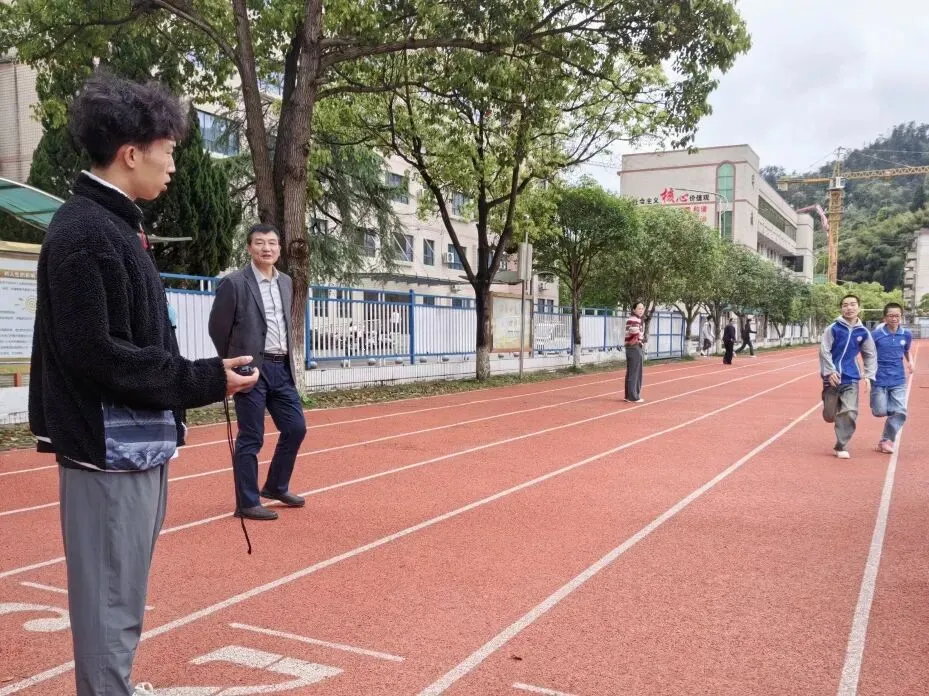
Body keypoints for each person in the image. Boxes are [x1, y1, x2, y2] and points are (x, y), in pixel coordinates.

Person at [28, 73, 258, 696]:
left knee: (121, 592)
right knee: (109, 597)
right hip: (107, 452)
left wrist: (202, 380)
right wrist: (203, 379)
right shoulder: (85, 233)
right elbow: (97, 355)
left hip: (130, 446)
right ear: (132, 152)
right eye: (170, 149)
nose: (175, 164)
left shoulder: (112, 227)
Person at [208, 224, 308, 520]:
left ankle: (276, 486)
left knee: (295, 428)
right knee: (251, 436)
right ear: (250, 248)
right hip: (252, 368)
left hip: (281, 367)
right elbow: (218, 328)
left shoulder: (287, 282)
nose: (267, 248)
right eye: (260, 243)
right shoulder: (235, 283)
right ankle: (247, 502)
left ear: (279, 248)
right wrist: (232, 363)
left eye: (273, 243)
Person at [820, 294, 876, 459]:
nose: (849, 308)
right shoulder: (833, 328)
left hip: (851, 377)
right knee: (829, 416)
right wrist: (830, 371)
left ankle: (841, 445)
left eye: (852, 304)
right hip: (832, 377)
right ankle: (832, 408)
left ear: (859, 307)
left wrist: (868, 376)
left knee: (850, 411)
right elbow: (824, 350)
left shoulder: (863, 332)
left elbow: (870, 354)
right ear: (841, 308)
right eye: (845, 305)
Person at [869, 302, 913, 453]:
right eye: (891, 315)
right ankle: (880, 405)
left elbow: (906, 350)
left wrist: (910, 363)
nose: (894, 318)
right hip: (879, 378)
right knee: (880, 411)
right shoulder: (876, 335)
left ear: (901, 317)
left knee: (900, 411)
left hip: (898, 378)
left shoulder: (906, 334)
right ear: (885, 317)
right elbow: (868, 353)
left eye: (897, 316)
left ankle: (886, 441)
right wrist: (868, 372)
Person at [624, 301, 646, 403]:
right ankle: (633, 396)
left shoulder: (636, 319)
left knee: (631, 372)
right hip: (634, 347)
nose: (641, 310)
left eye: (642, 308)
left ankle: (628, 395)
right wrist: (640, 337)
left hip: (631, 347)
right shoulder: (634, 320)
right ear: (634, 310)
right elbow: (633, 331)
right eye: (639, 308)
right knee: (635, 373)